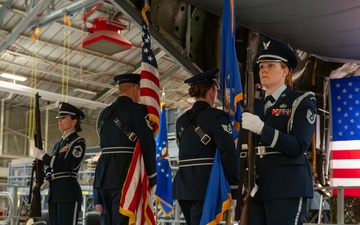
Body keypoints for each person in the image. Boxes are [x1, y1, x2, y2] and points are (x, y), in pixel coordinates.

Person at [241, 38, 317, 225]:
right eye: (261, 67)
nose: (263, 70)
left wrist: (262, 129)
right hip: (258, 188)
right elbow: (245, 148)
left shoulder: (301, 101)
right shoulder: (254, 106)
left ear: (285, 71)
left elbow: (299, 145)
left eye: (270, 65)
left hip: (287, 187)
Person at [173, 68, 239, 225]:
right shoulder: (217, 116)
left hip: (183, 186)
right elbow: (228, 151)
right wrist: (234, 186)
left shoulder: (181, 121)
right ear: (212, 90)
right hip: (205, 186)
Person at [93, 73, 156, 225]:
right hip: (125, 176)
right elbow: (148, 145)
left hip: (103, 177)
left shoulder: (103, 114)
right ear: (135, 88)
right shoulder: (138, 111)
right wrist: (152, 177)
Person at [33, 102, 86, 225]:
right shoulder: (58, 144)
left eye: (63, 118)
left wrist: (44, 156)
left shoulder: (78, 142)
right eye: (59, 118)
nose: (59, 121)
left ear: (74, 121)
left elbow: (67, 164)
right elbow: (52, 167)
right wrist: (47, 179)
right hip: (55, 193)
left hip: (68, 192)